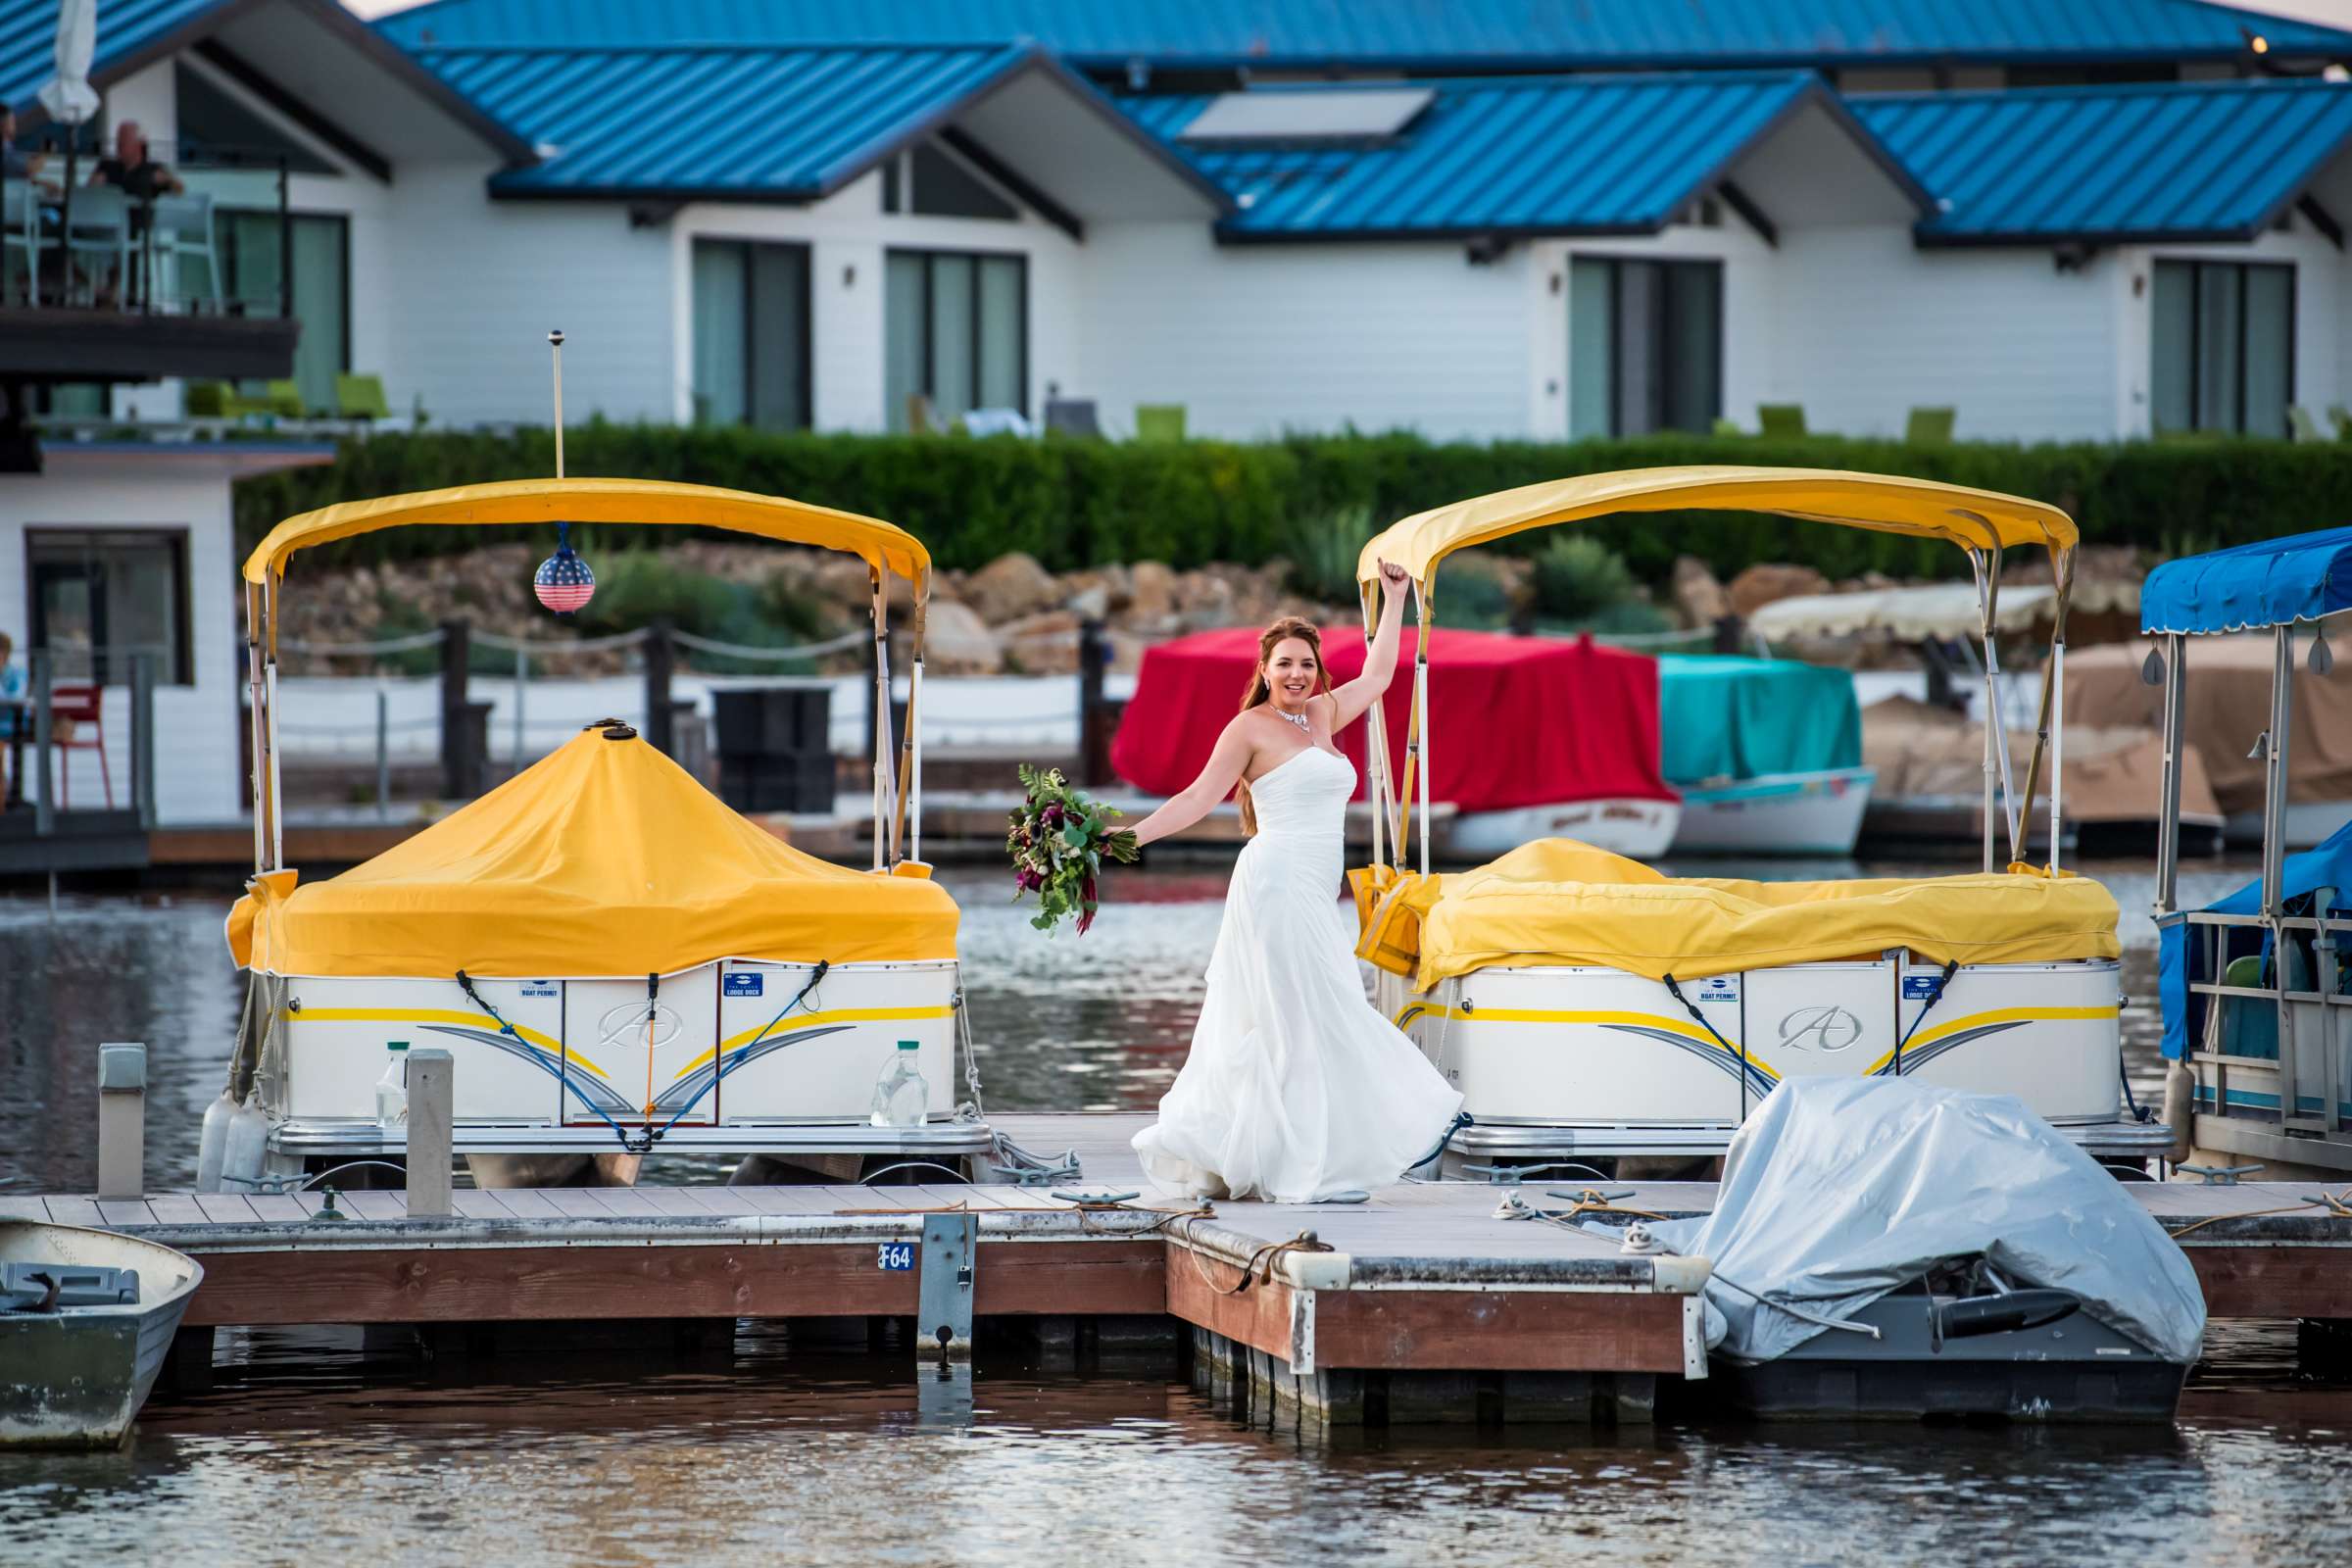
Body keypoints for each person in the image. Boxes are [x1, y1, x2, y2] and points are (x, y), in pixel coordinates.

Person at [1124, 564, 1463, 1202]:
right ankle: (1300, 1165)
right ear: (1265, 670)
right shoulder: (1248, 728)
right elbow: (1198, 797)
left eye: (1306, 664)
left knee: (1320, 1008)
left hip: (1312, 892)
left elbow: (1383, 675)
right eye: (1284, 665)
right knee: (1296, 1016)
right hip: (1274, 883)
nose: (1296, 675)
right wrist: (1127, 839)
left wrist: (1395, 601)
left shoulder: (1326, 714)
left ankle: (1306, 1154)